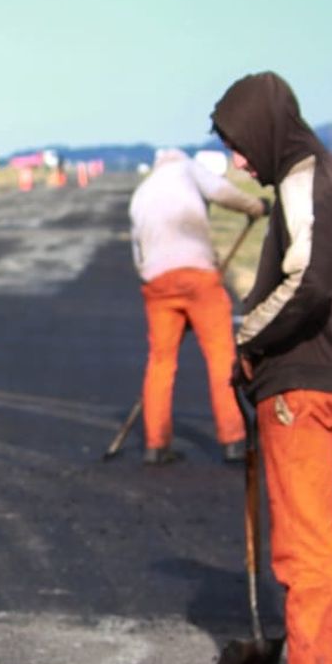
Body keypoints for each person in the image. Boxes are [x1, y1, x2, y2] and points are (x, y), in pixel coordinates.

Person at [211, 71, 332, 664]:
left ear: (269, 130)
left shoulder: (307, 177)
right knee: (316, 541)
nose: (239, 162)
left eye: (241, 145)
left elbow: (308, 285)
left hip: (301, 390)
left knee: (301, 548)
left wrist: (245, 336)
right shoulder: (326, 175)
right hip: (320, 381)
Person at [128, 148, 268, 465]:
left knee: (161, 361)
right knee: (221, 357)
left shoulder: (142, 192)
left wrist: (162, 283)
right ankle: (234, 438)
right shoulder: (188, 169)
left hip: (157, 282)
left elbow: (138, 254)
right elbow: (222, 192)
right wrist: (256, 207)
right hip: (198, 275)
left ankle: (155, 442)